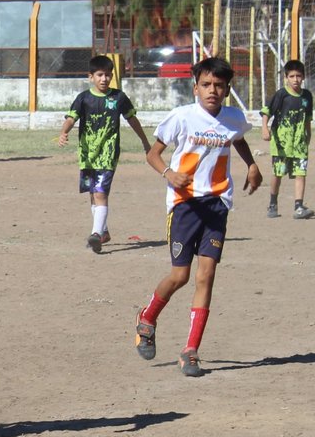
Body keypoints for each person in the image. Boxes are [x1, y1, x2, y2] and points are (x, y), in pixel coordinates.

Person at [136, 56, 262, 378]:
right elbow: (153, 154)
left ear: (227, 90)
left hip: (217, 205)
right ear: (195, 88)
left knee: (206, 276)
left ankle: (191, 350)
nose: (212, 90)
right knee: (180, 276)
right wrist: (168, 173)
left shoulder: (233, 118)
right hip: (185, 205)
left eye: (219, 85)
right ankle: (147, 317)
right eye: (206, 84)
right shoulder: (182, 117)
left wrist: (251, 165)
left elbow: (238, 139)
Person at [58, 54, 152, 253]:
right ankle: (104, 231)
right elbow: (71, 118)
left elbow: (132, 120)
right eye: (100, 75)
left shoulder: (118, 98)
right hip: (87, 155)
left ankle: (96, 235)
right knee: (93, 194)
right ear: (90, 76)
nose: (104, 79)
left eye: (108, 75)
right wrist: (64, 132)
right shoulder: (83, 98)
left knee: (100, 193)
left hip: (108, 154)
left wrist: (145, 141)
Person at [260, 59, 313, 220]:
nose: (295, 79)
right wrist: (265, 128)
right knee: (278, 173)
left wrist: (308, 136)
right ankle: (272, 204)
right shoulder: (281, 95)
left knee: (301, 173)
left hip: (299, 144)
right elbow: (267, 111)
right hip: (281, 144)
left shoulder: (307, 96)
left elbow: (307, 119)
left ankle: (299, 207)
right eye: (292, 76)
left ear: (303, 77)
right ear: (286, 77)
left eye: (298, 76)